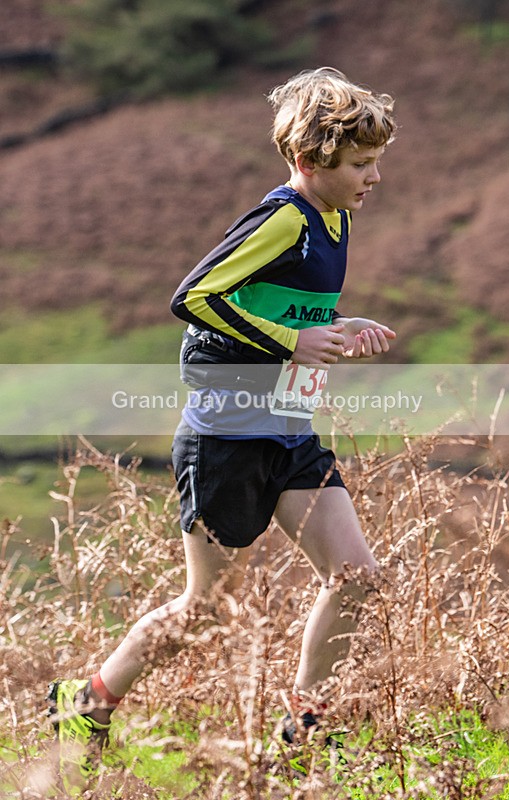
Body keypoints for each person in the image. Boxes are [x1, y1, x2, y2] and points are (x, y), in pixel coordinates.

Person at [48, 66, 397, 794]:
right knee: (205, 609)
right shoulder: (282, 217)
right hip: (227, 440)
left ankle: (300, 730)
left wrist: (336, 327)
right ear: (308, 162)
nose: (374, 176)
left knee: (358, 578)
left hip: (290, 433)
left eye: (375, 161)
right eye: (361, 164)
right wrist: (291, 344)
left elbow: (284, 309)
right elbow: (195, 296)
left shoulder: (337, 218)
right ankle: (85, 707)